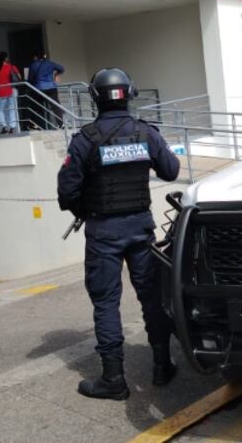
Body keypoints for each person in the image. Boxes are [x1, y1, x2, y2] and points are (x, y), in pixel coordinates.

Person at [57, 68, 180, 400]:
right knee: (152, 297)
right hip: (141, 229)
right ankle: (162, 365)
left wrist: (86, 207)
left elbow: (66, 192)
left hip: (102, 233)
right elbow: (171, 171)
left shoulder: (85, 139)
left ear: (95, 97)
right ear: (130, 93)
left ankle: (114, 380)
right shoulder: (146, 133)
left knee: (106, 304)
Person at [28, 53, 65, 129]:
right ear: (44, 56)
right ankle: (61, 124)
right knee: (55, 106)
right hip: (52, 87)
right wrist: (56, 75)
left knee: (37, 106)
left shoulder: (33, 65)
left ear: (35, 57)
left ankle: (36, 125)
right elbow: (62, 68)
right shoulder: (50, 63)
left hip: (39, 89)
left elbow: (30, 79)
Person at [0, 51, 20, 134]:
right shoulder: (11, 67)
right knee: (12, 109)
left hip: (0, 91)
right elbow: (19, 77)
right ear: (5, 58)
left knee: (0, 110)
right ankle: (12, 127)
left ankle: (4, 127)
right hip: (10, 90)